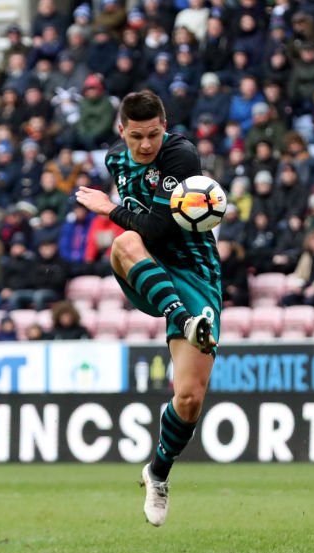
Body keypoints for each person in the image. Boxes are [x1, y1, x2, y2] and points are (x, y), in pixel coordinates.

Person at [74, 90, 220, 528]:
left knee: (190, 398)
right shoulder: (115, 161)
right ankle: (182, 319)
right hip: (148, 267)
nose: (145, 145)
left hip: (194, 272)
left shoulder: (180, 156)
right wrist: (118, 214)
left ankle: (157, 472)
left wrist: (110, 208)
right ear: (122, 131)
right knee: (123, 242)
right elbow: (143, 233)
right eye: (136, 136)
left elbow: (158, 224)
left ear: (165, 126)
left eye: (153, 134)